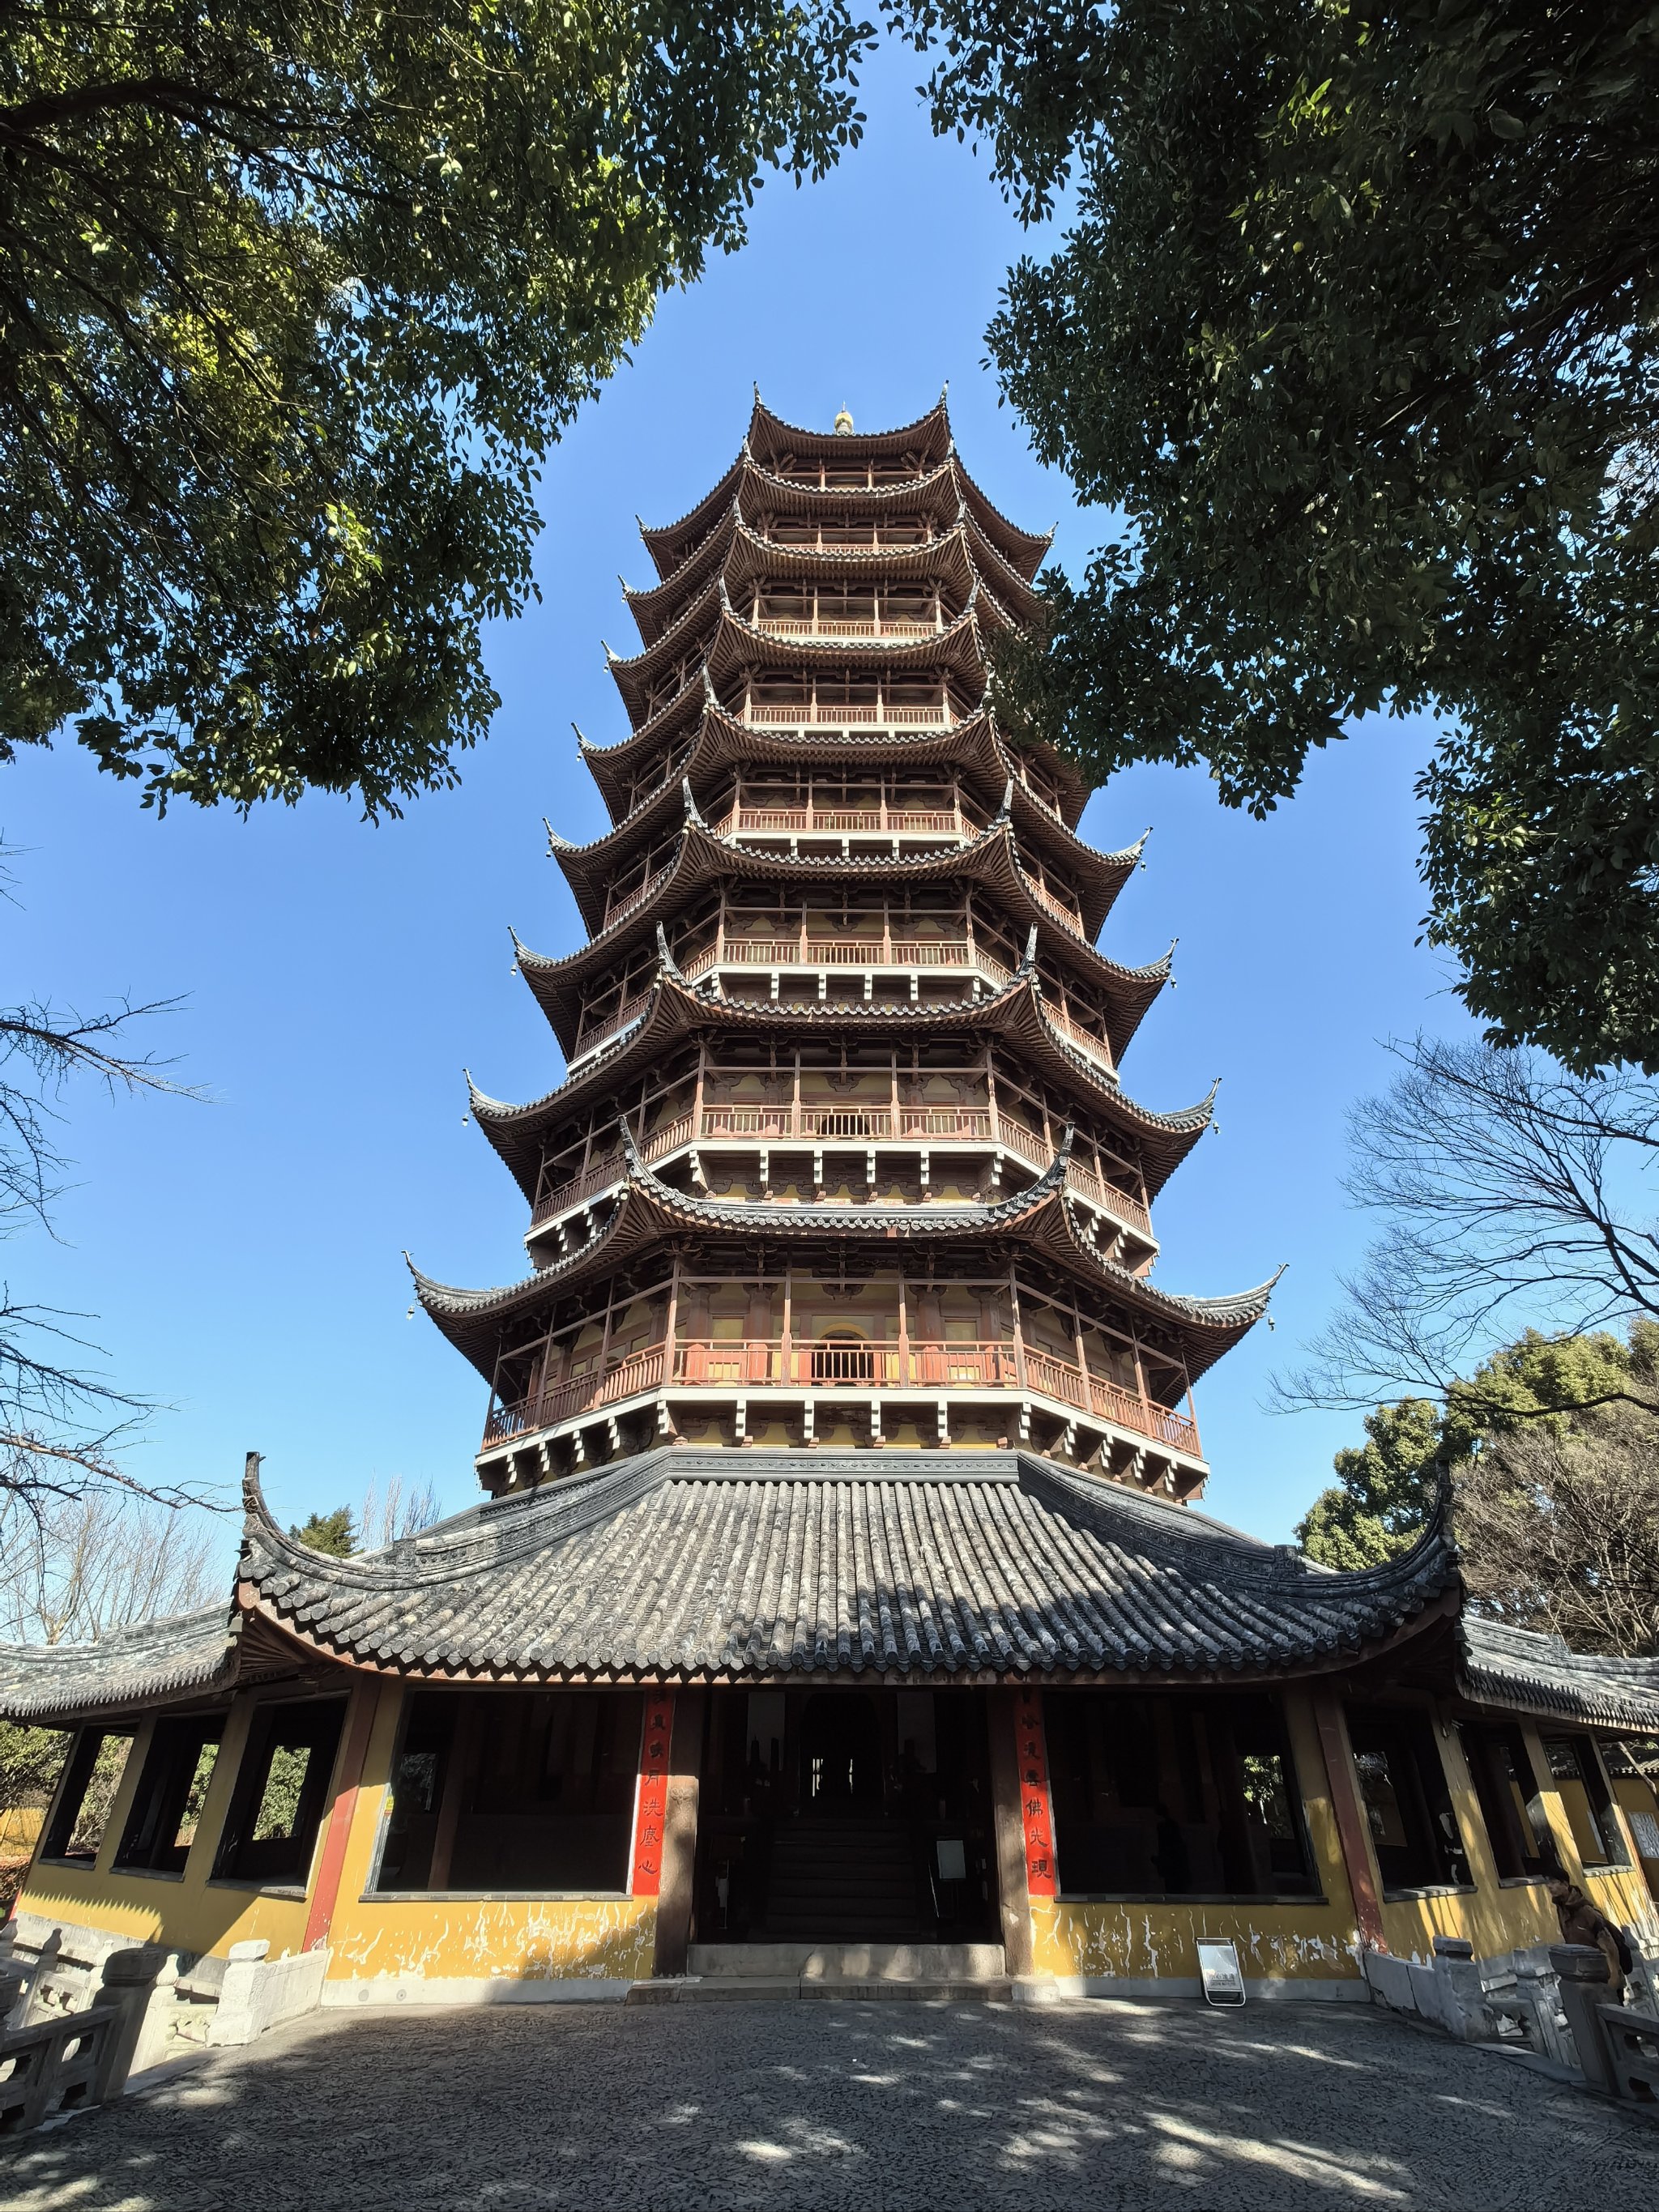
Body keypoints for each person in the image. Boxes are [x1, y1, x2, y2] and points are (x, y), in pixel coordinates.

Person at [1546, 1869, 1627, 2002]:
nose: (1549, 1886)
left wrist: (1613, 1982)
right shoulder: (1561, 1908)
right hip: (1584, 1975)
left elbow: (1609, 1946)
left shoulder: (1586, 1911)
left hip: (1603, 1975)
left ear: (1565, 1885)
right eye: (1548, 1882)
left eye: (1554, 1882)